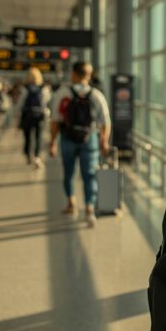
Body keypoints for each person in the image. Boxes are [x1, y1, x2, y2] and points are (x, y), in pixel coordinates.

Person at [48, 62, 111, 225]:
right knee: (89, 175)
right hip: (89, 138)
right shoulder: (96, 95)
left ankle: (71, 204)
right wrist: (104, 141)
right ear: (88, 76)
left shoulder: (63, 93)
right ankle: (89, 209)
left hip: (67, 137)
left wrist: (52, 142)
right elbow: (105, 121)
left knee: (68, 173)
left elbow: (55, 120)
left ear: (73, 74)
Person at [18, 67, 51, 168]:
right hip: (39, 116)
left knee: (27, 138)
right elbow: (46, 103)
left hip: (27, 116)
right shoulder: (44, 89)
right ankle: (37, 157)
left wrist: (18, 116)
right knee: (38, 137)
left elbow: (20, 103)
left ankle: (28, 156)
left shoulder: (24, 89)